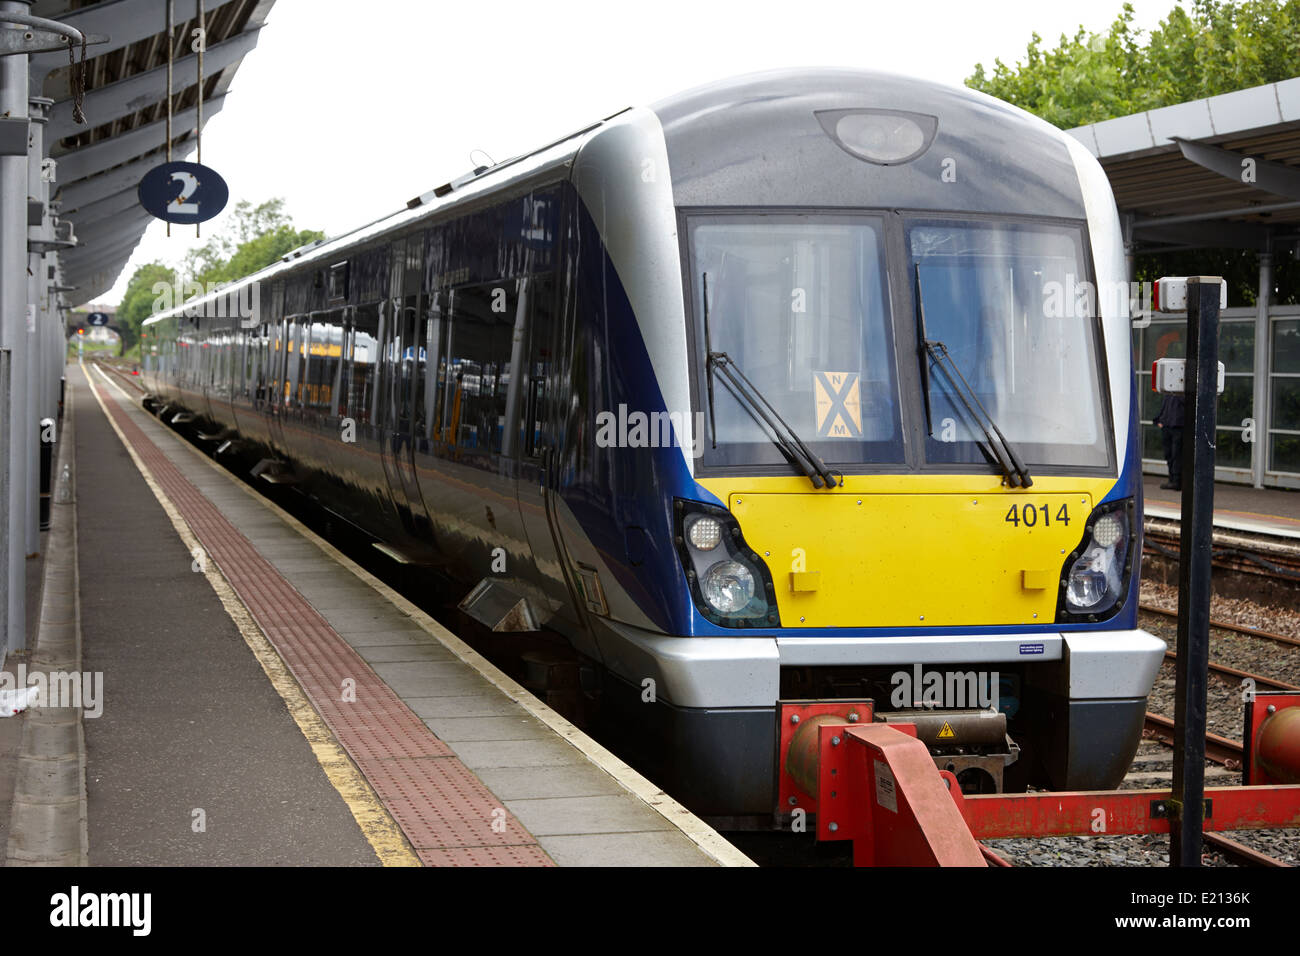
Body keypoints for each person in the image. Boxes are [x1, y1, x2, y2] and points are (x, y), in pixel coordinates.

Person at [1154, 393, 1185, 491]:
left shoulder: (1181, 393)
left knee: (1177, 455)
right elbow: (1165, 407)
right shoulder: (1168, 393)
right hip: (1167, 426)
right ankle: (1172, 480)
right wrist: (1159, 420)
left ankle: (1177, 481)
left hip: (1178, 426)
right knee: (1169, 454)